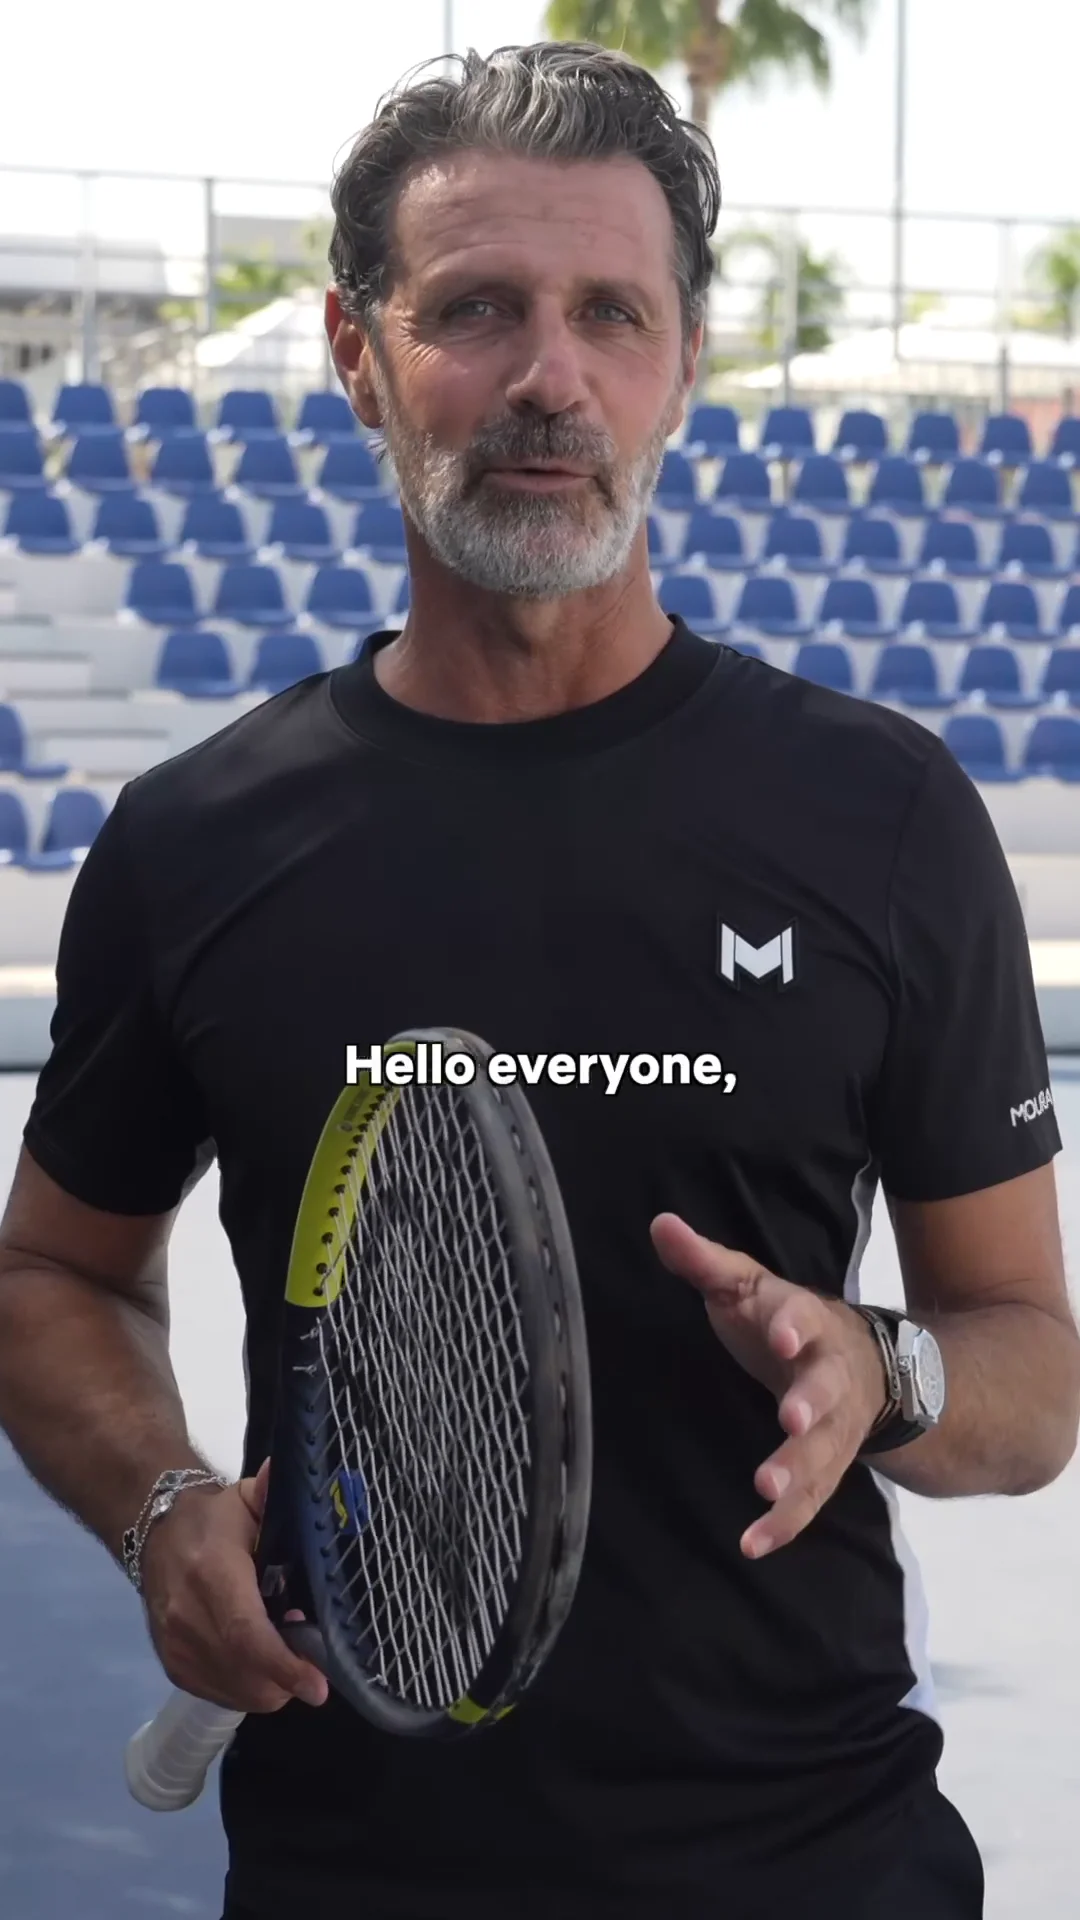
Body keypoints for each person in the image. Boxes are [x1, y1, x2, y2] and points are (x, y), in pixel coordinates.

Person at [0, 39, 1075, 1920]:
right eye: (476, 308)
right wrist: (160, 1509)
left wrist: (882, 1367)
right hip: (354, 1871)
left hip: (819, 1862)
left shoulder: (884, 815)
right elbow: (54, 1274)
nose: (549, 378)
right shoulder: (196, 841)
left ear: (683, 362)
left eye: (610, 313)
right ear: (359, 352)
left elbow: (1031, 1369)